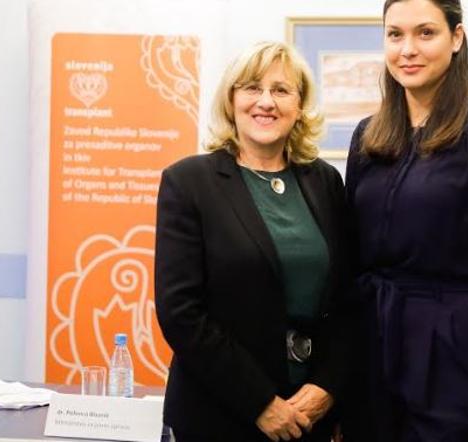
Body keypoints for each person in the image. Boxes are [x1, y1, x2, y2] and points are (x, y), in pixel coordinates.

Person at [344, 0, 468, 441]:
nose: (408, 49)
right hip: (372, 350)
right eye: (395, 34)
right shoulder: (367, 136)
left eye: (425, 33)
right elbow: (350, 262)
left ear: (456, 38)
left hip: (454, 352)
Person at [155, 41, 351, 442]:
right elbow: (181, 313)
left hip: (309, 415)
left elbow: (349, 298)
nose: (266, 102)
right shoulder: (189, 182)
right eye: (251, 88)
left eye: (281, 90)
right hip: (219, 416)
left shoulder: (325, 182)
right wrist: (260, 402)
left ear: (300, 106)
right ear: (231, 101)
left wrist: (328, 387)